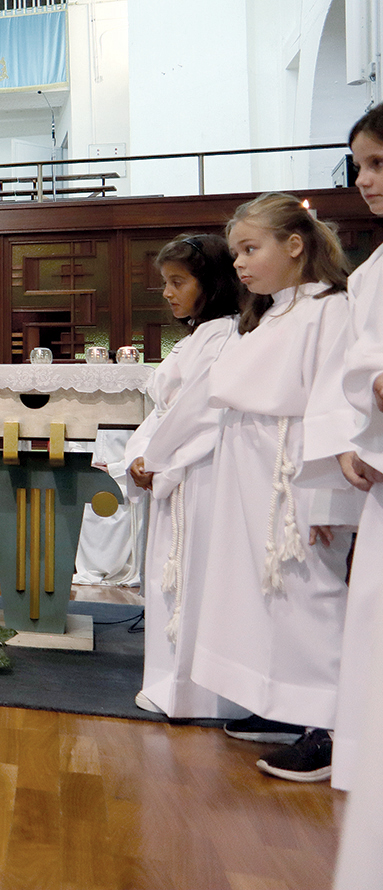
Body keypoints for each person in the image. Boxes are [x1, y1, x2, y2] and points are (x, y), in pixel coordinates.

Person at [190, 192, 358, 782]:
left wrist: (329, 497)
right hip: (253, 473)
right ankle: (287, 703)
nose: (238, 263)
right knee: (264, 593)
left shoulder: (330, 309)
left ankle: (333, 726)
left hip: (296, 477)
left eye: (250, 248)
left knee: (309, 593)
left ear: (294, 246)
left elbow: (337, 405)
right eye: (235, 252)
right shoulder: (274, 312)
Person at [122, 233, 244, 718]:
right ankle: (169, 683)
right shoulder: (198, 336)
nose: (168, 292)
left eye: (178, 282)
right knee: (170, 578)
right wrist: (140, 455)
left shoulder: (226, 334)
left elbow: (199, 413)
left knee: (192, 578)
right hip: (175, 468)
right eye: (165, 282)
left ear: (211, 284)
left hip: (199, 473)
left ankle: (196, 693)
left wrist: (155, 461)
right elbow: (162, 412)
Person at [322, 107, 383, 796]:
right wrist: (350, 434)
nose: (363, 180)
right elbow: (352, 369)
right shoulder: (369, 275)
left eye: (378, 163)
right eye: (358, 166)